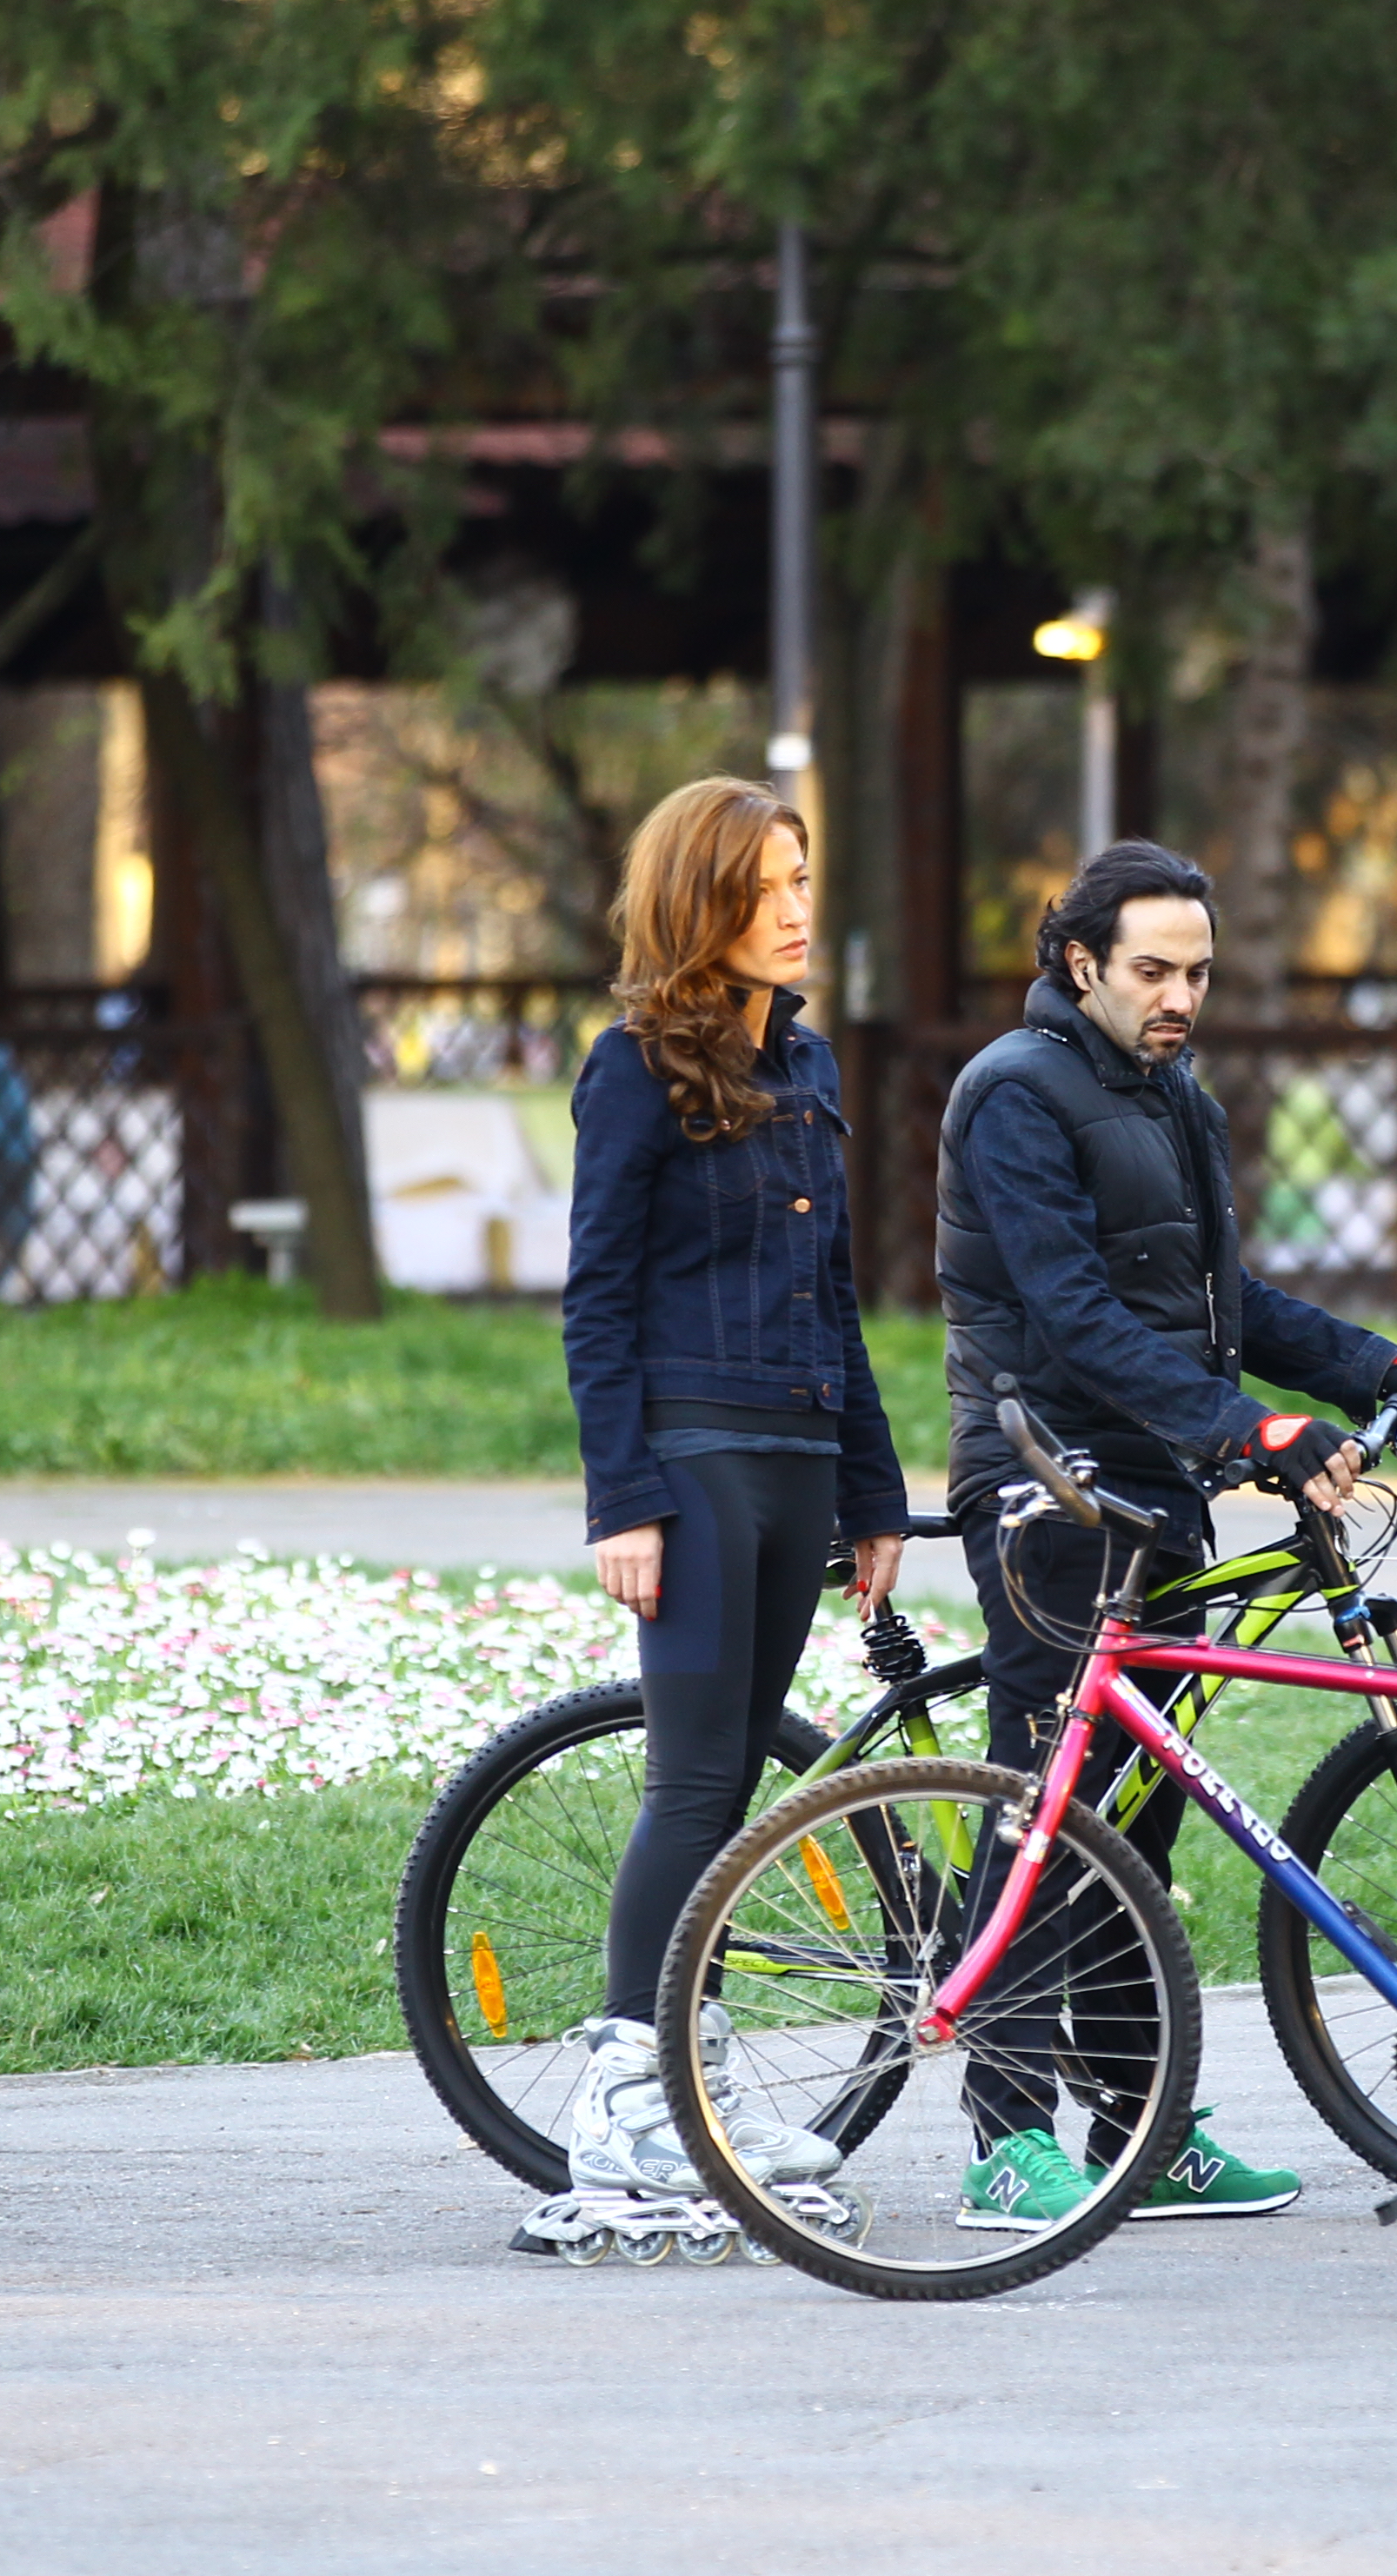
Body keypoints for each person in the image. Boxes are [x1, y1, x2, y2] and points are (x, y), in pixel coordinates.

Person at [935, 838, 1397, 2231]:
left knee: (1134, 1819)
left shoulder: (1171, 1099)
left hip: (1158, 1486)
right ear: (1080, 960)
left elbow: (1226, 1306)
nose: (1180, 996)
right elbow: (1071, 1317)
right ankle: (1004, 2136)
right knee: (1047, 1811)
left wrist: (1372, 1369)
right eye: (1152, 970)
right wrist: (1253, 1431)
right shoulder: (1013, 1095)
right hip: (1050, 1481)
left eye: (1199, 973)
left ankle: (1137, 2127)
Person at [554, 776, 908, 2232]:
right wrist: (622, 1497)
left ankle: (684, 2073)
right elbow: (597, 1293)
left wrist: (876, 1491)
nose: (798, 906)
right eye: (767, 884)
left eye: (806, 877)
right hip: (691, 1466)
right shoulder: (633, 1066)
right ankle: (623, 2099)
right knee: (694, 1781)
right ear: (701, 901)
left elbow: (835, 1298)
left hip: (798, 1458)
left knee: (739, 1784)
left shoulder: (809, 1066)